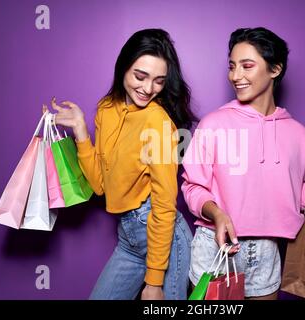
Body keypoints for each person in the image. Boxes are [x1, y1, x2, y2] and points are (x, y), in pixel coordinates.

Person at [181, 27, 305, 300]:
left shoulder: (297, 133)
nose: (235, 76)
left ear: (275, 69)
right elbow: (193, 187)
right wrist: (217, 214)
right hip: (217, 246)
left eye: (247, 66)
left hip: (267, 251)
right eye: (232, 66)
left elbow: (289, 193)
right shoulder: (214, 125)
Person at [43, 29, 196, 300]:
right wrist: (80, 130)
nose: (148, 89)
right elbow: (100, 185)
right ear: (123, 67)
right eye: (140, 76)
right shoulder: (106, 108)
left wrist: (154, 282)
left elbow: (164, 205)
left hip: (165, 239)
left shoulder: (158, 123)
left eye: (159, 81)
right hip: (129, 238)